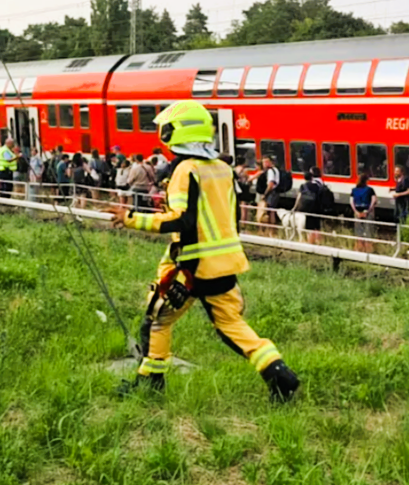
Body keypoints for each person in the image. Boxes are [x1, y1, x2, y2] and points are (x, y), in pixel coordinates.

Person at [111, 100, 299, 401]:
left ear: (176, 132)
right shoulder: (223, 168)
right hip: (224, 262)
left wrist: (131, 218)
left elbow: (181, 220)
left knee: (157, 319)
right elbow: (233, 216)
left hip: (192, 266)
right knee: (230, 324)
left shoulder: (186, 170)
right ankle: (279, 373)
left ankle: (150, 383)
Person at [293, 167, 326, 245]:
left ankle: (311, 243)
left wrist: (295, 207)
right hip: (316, 207)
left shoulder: (303, 186)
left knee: (310, 227)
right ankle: (319, 242)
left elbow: (299, 197)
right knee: (317, 226)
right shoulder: (318, 185)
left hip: (308, 208)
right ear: (312, 177)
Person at [350, 173, 377, 252]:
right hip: (367, 213)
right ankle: (368, 250)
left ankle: (359, 249)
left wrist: (356, 211)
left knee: (358, 232)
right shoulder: (370, 190)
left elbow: (351, 202)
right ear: (366, 181)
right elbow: (374, 200)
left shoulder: (354, 190)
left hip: (357, 212)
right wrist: (368, 211)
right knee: (368, 232)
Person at [259, 156, 281, 227]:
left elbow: (270, 184)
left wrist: (265, 194)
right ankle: (272, 229)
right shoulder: (276, 170)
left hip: (271, 193)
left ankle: (271, 228)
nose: (264, 164)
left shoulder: (270, 171)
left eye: (265, 162)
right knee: (272, 211)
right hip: (276, 192)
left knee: (270, 212)